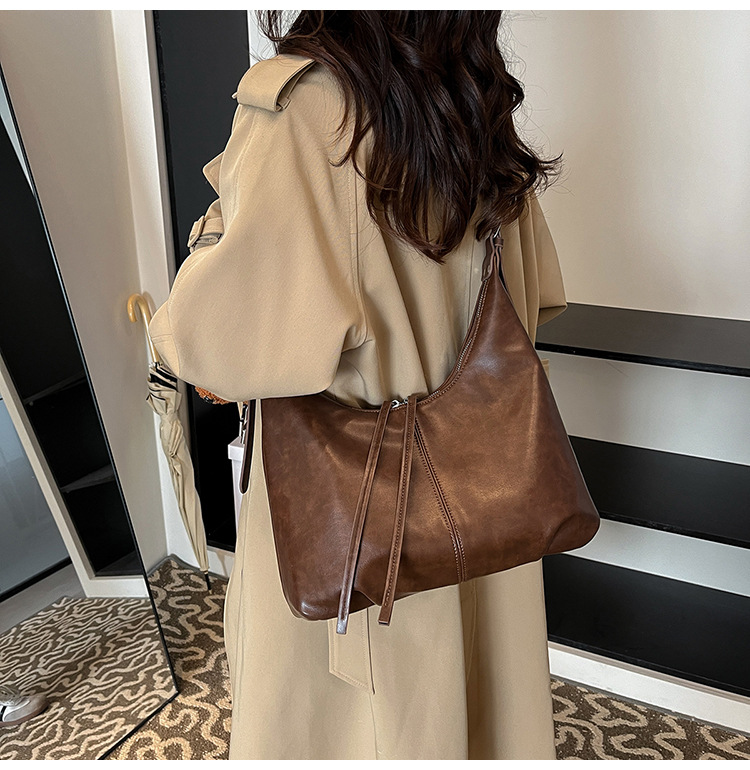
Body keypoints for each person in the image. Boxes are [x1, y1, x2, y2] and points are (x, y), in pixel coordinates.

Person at [148, 11, 568, 760]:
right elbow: (534, 299)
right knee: (479, 714)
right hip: (486, 503)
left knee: (357, 730)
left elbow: (216, 347)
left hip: (355, 524)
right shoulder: (476, 99)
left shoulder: (305, 110)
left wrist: (212, 235)